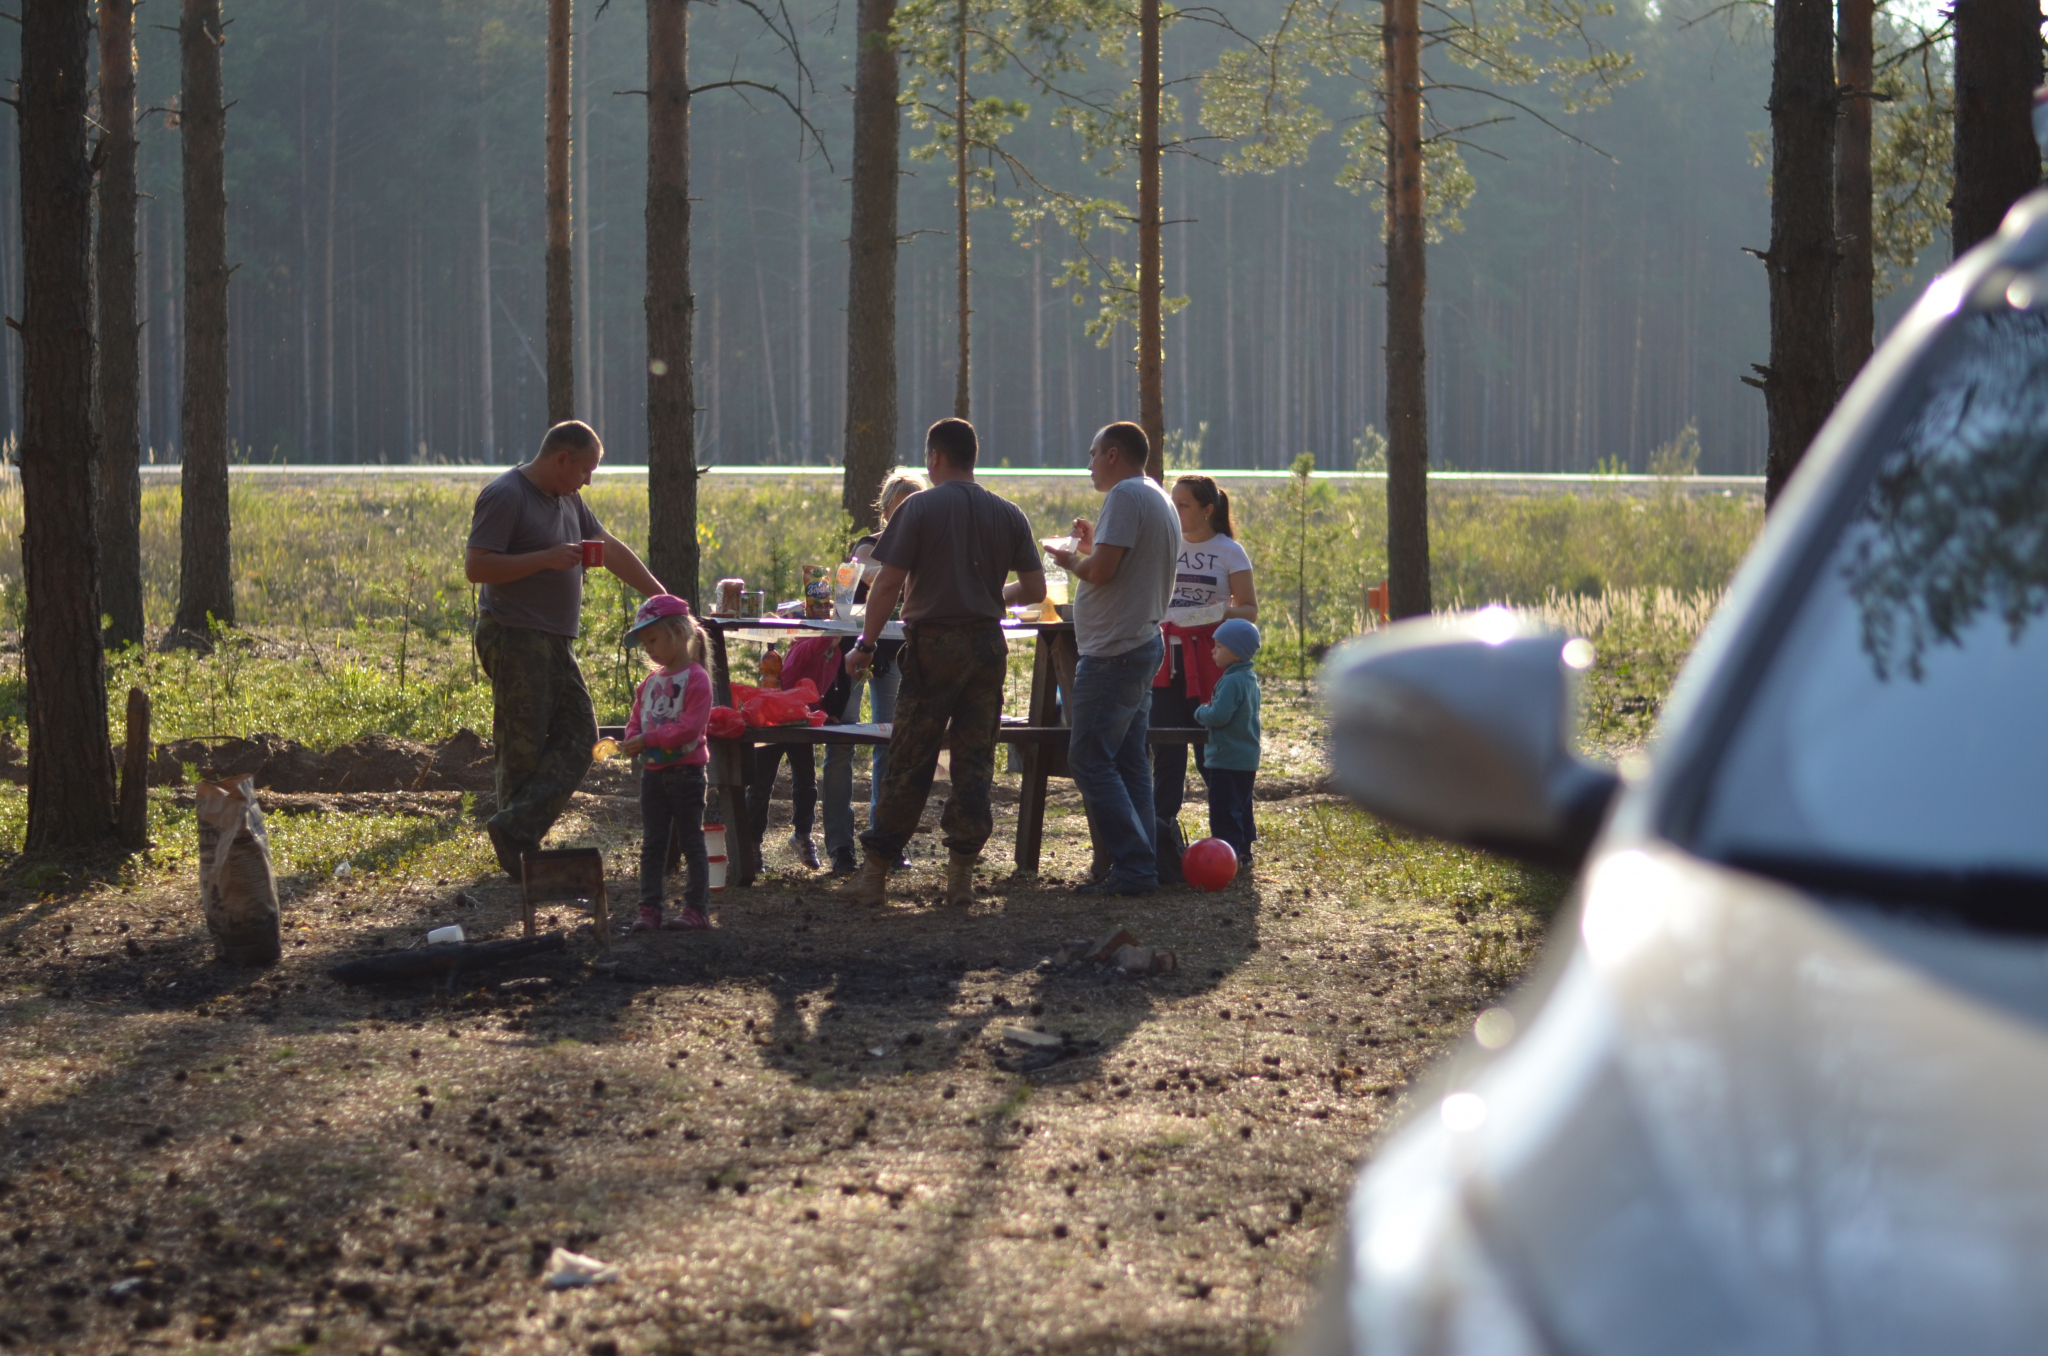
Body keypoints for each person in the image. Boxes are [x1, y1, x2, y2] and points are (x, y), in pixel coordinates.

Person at [838, 418, 1045, 907]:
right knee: (974, 762)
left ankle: (874, 875)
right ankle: (960, 879)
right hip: (988, 650)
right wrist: (990, 595)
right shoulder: (1009, 513)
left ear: (934, 458)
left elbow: (887, 584)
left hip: (934, 649)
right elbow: (1034, 591)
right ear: (972, 457)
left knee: (910, 759)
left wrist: (865, 645)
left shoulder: (918, 508)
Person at [465, 420, 664, 878]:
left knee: (580, 737)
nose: (589, 480)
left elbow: (607, 547)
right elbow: (477, 566)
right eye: (586, 469)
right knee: (522, 744)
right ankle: (518, 850)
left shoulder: (568, 498)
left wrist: (659, 598)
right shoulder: (507, 495)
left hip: (554, 638)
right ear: (562, 460)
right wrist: (547, 559)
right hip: (514, 633)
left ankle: (513, 829)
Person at [1044, 422, 1180, 897]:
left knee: (1087, 760)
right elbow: (1121, 562)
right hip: (1139, 643)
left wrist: (1067, 560)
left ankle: (1134, 866)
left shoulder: (1124, 495)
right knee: (1128, 762)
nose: (1088, 463)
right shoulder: (1154, 495)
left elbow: (1101, 572)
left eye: (1093, 453)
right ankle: (1145, 864)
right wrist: (1090, 543)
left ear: (1115, 455)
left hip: (1115, 654)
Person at [1152, 474, 1258, 882]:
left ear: (1207, 509)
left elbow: (1248, 609)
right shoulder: (1165, 545)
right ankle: (1161, 838)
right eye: (1172, 503)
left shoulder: (1229, 551)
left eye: (1183, 505)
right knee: (1165, 750)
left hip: (1211, 663)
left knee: (1213, 755)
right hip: (1165, 662)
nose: (1175, 512)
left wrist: (1215, 614)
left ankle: (1233, 842)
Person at [821, 472, 925, 875]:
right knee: (841, 741)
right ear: (884, 513)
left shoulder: (923, 550)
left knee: (890, 741)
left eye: (912, 509)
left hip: (896, 654)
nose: (903, 518)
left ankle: (885, 840)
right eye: (897, 509)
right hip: (854, 653)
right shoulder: (868, 547)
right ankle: (840, 847)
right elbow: (862, 582)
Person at [620, 596, 715, 931]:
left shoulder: (696, 678)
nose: (649, 649)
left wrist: (649, 739)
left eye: (653, 640)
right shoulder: (650, 683)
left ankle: (697, 908)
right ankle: (650, 908)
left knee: (691, 840)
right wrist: (633, 737)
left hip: (686, 773)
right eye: (645, 644)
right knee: (653, 844)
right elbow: (637, 719)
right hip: (653, 775)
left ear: (677, 632)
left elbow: (690, 728)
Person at [744, 633, 843, 871]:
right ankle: (751, 844)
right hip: (773, 722)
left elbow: (819, 689)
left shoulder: (836, 654)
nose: (838, 633)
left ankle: (802, 835)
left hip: (800, 723)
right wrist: (826, 629)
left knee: (807, 782)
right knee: (760, 786)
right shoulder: (805, 646)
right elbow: (787, 681)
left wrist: (823, 711)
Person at [1193, 618, 1262, 873]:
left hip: (1227, 756)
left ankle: (1227, 855)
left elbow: (1219, 715)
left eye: (1219, 646)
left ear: (1236, 652)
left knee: (1223, 809)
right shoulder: (1249, 678)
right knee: (1242, 805)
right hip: (1245, 757)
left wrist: (1201, 712)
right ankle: (1244, 852)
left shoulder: (1232, 681)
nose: (1213, 651)